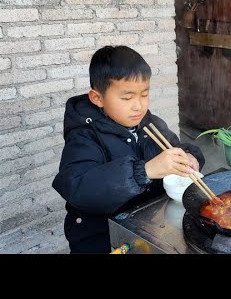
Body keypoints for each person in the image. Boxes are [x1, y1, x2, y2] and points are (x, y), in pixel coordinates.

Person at [52, 45, 205, 253]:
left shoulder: (149, 123)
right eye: (127, 97)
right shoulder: (85, 135)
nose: (138, 106)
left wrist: (189, 156)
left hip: (144, 225)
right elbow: (78, 187)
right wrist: (146, 171)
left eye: (144, 94)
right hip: (99, 235)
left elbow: (174, 147)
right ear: (97, 98)